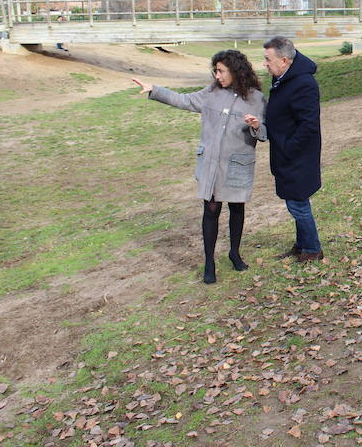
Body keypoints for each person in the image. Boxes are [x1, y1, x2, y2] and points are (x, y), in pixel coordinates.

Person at [132, 50, 266, 284]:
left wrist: (256, 125)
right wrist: (154, 89)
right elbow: (184, 100)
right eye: (215, 70)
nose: (217, 76)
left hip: (237, 164)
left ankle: (234, 253)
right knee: (211, 209)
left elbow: (265, 133)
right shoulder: (211, 92)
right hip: (212, 163)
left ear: (236, 70)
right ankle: (209, 262)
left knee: (236, 208)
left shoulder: (256, 98)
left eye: (221, 71)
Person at [262, 36, 324, 262]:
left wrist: (288, 147)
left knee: (298, 203)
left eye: (268, 59)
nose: (265, 64)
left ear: (285, 60)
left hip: (297, 155)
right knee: (295, 200)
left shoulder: (303, 83)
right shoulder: (285, 79)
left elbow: (309, 125)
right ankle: (302, 244)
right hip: (286, 153)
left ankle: (313, 249)